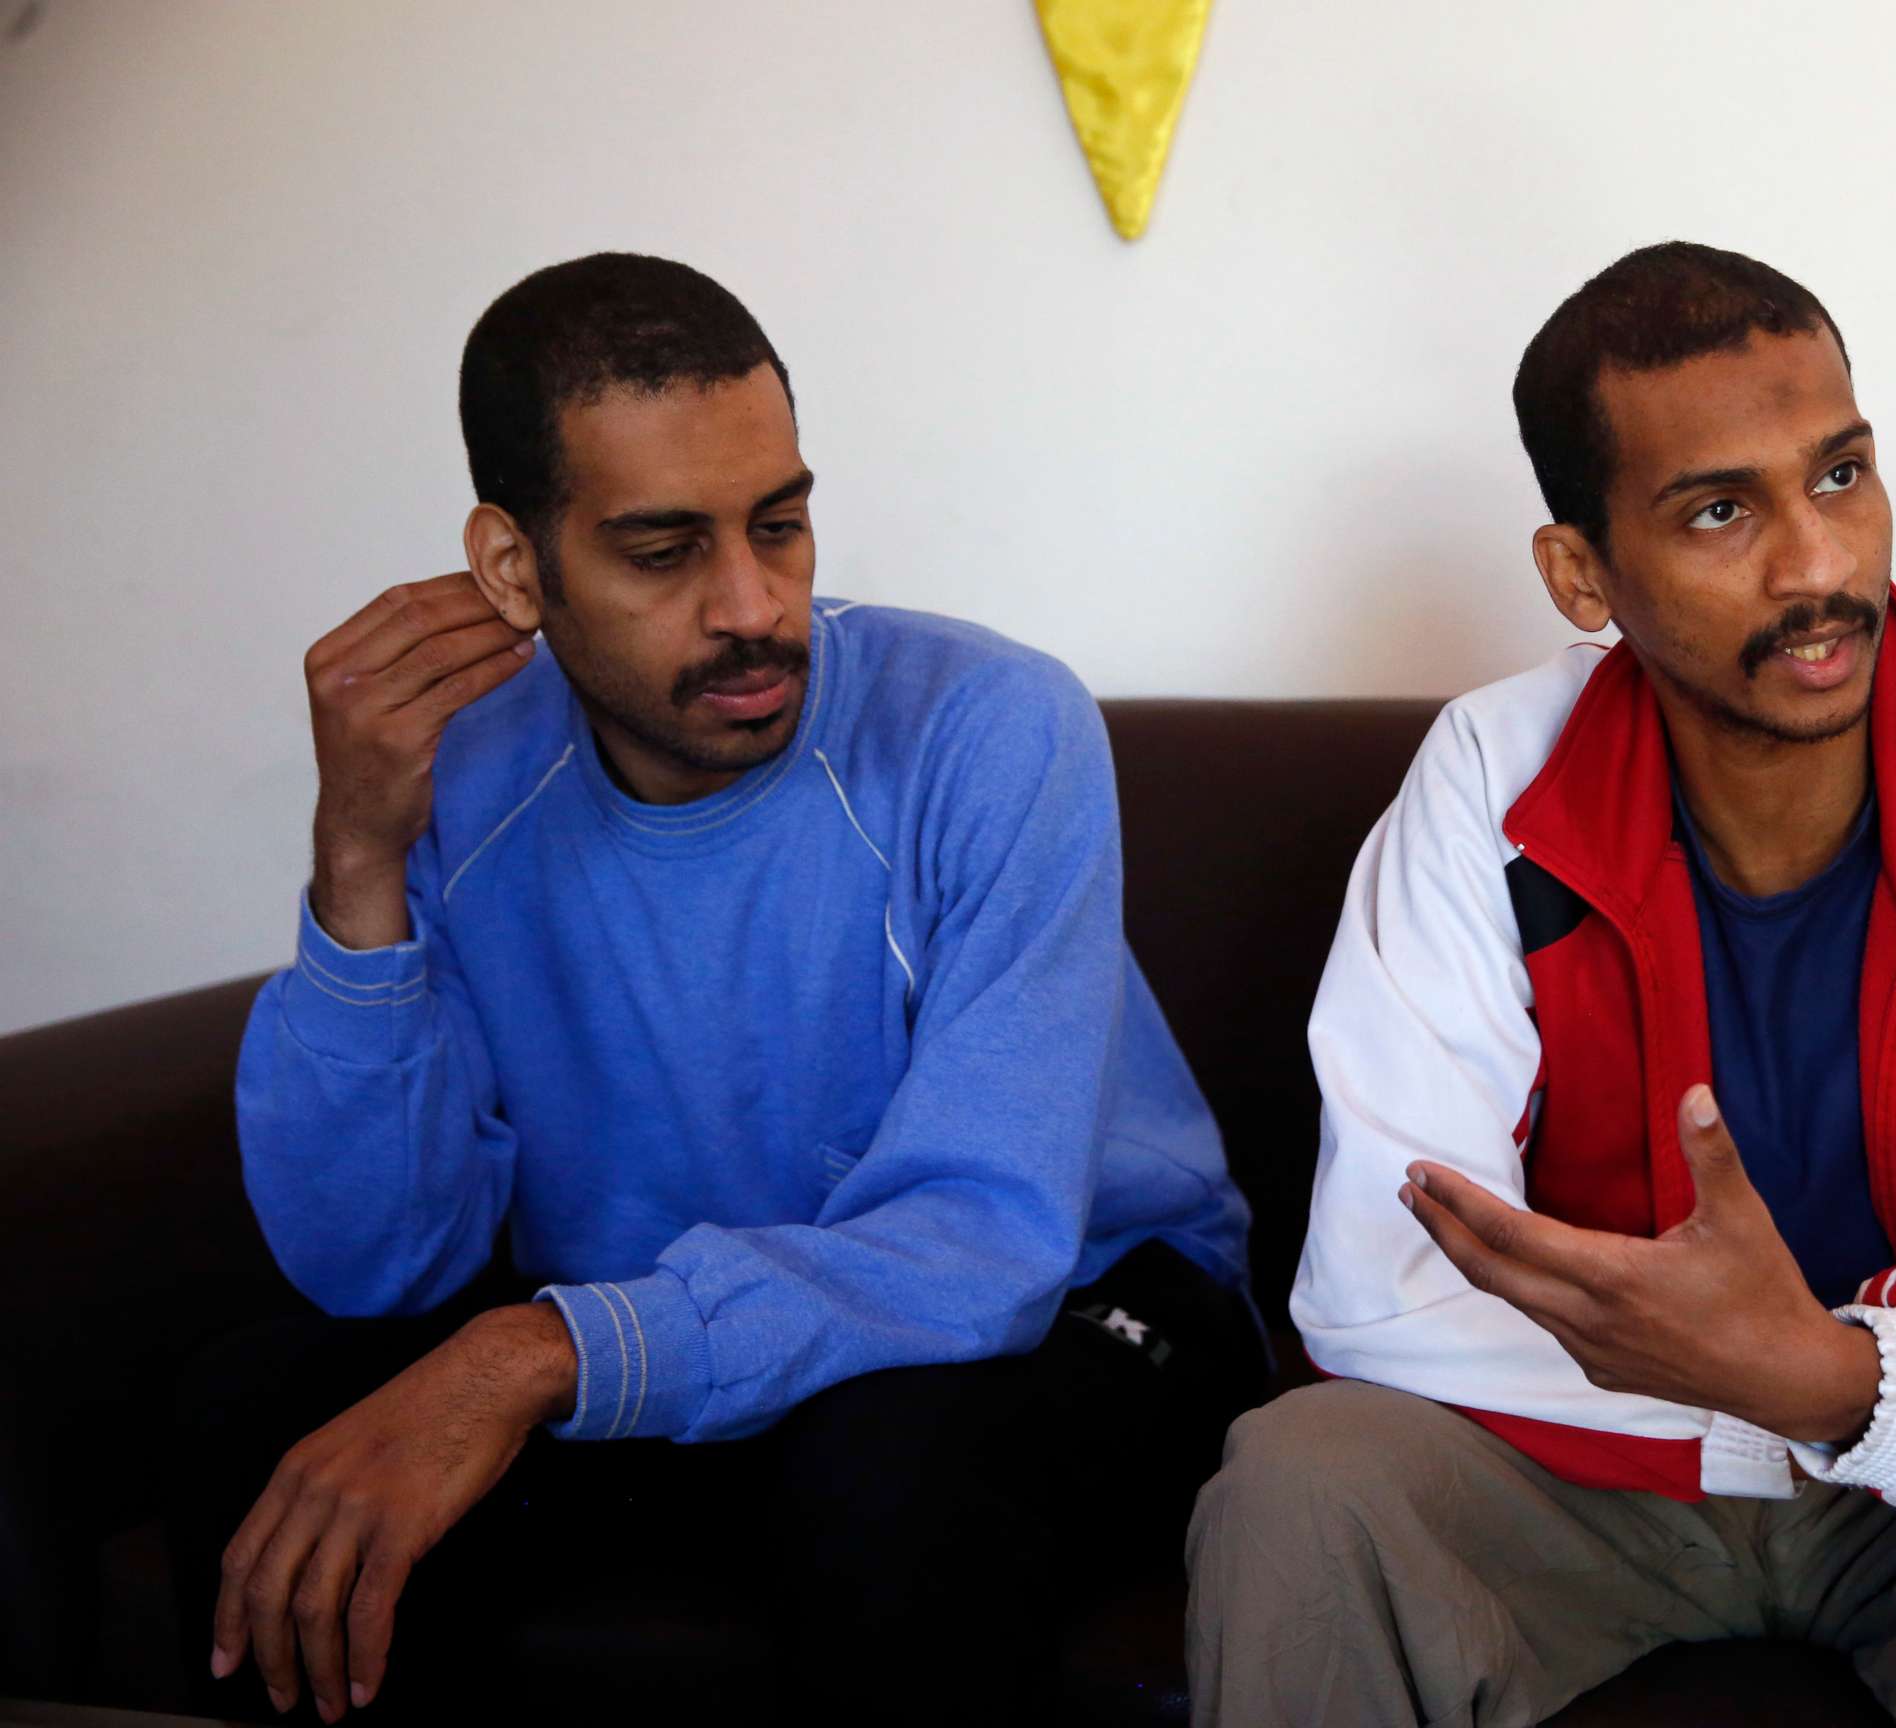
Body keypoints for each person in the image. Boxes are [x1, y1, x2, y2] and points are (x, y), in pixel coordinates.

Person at [1187, 243, 1896, 1727]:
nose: (1816, 566)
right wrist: (1736, 1397)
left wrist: (1848, 1384)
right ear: (1582, 575)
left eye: (1840, 476)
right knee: (1299, 1493)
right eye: (1721, 512)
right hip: (1591, 1471)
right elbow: (1385, 1280)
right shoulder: (1488, 785)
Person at [186, 252, 1257, 1723]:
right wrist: (360, 861)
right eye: (662, 549)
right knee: (265, 1426)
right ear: (514, 567)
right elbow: (380, 1268)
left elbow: (982, 1244)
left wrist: (539, 1352)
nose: (754, 605)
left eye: (781, 524)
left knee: (884, 1477)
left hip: (1081, 1311)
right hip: (682, 1338)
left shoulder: (991, 726)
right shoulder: (463, 778)